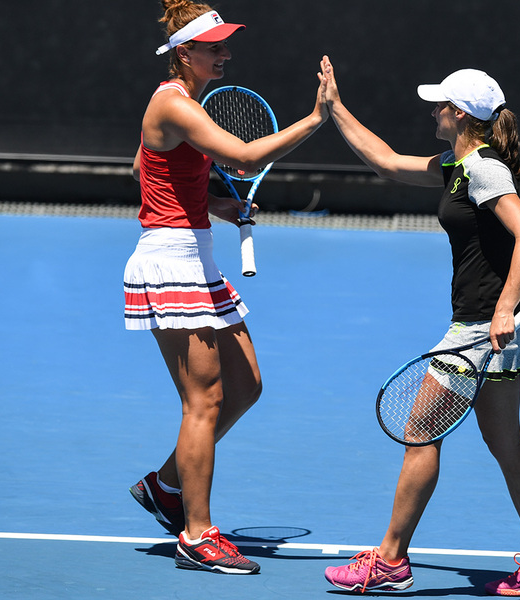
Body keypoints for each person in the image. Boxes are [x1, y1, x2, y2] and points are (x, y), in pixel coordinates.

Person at [318, 57, 520, 596]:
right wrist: (335, 109)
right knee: (507, 445)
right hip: (487, 327)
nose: (434, 112)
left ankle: (389, 561)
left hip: (481, 330)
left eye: (440, 106)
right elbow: (386, 162)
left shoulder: (483, 168)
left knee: (418, 434)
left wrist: (503, 309)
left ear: (458, 115)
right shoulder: (456, 166)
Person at [123, 0, 327, 575]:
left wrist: (213, 204)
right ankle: (197, 532)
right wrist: (315, 119)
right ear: (184, 54)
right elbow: (239, 155)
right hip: (171, 263)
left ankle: (166, 487)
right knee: (204, 400)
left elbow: (144, 173)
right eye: (214, 47)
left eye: (225, 45)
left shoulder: (176, 105)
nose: (226, 54)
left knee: (246, 385)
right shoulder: (172, 103)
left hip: (198, 258)